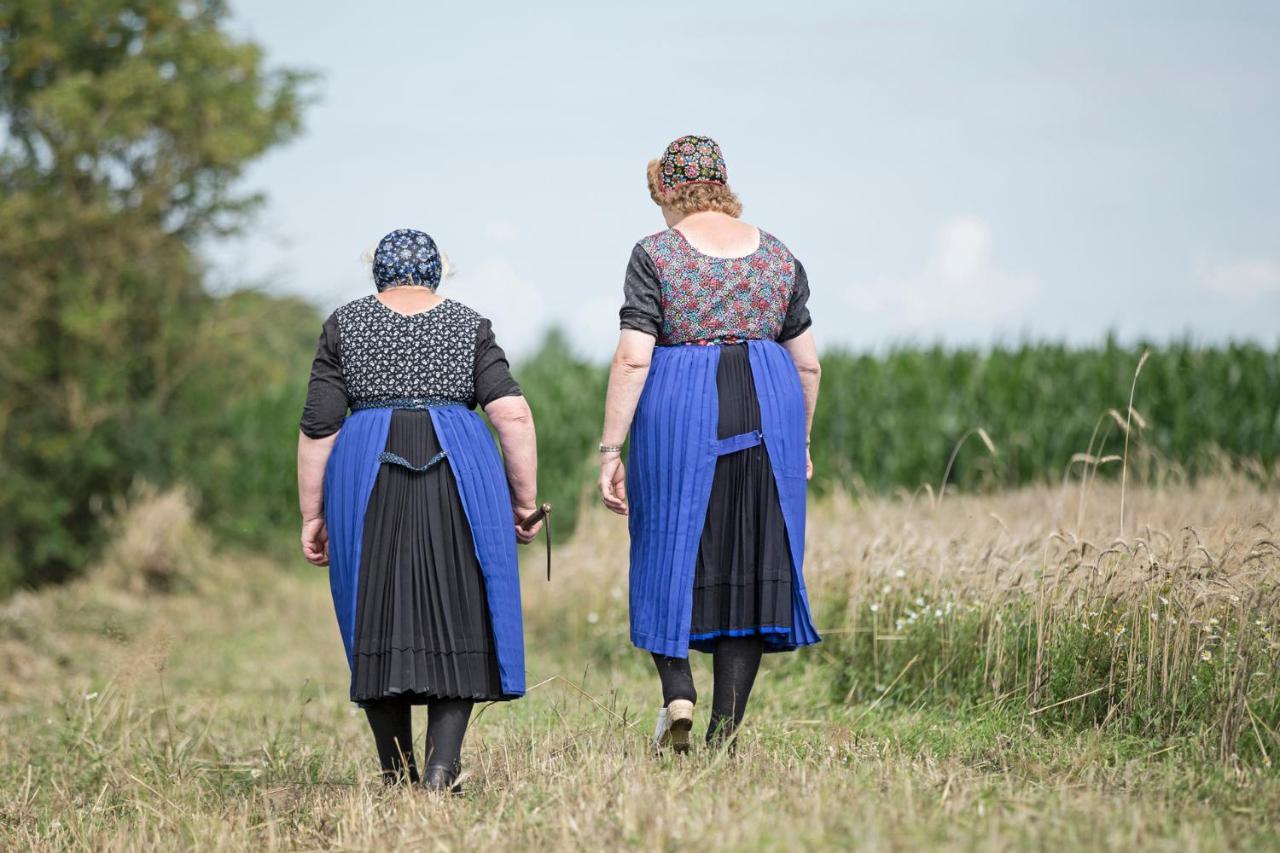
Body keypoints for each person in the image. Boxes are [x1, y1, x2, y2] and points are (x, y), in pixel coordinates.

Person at [598, 136, 822, 753]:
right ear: (724, 186)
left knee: (668, 549)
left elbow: (632, 358)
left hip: (682, 414)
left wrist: (611, 449)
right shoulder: (779, 256)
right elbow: (807, 367)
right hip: (767, 413)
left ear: (670, 190)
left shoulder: (656, 254)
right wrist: (797, 439)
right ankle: (724, 737)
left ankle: (678, 693)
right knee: (750, 565)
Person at [296, 229, 541, 792]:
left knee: (375, 613)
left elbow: (318, 427)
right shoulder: (468, 324)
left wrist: (313, 514)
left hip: (367, 471)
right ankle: (439, 772)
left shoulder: (345, 325)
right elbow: (513, 415)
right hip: (458, 471)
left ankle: (397, 774)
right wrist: (523, 501)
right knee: (459, 610)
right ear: (437, 272)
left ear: (377, 271)